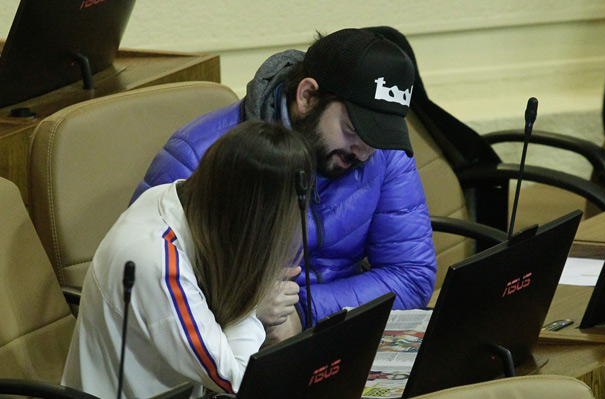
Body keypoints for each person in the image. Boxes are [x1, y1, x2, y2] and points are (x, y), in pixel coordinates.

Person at [132, 28, 437, 338]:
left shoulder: (379, 153)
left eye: (378, 137)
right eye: (352, 129)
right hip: (232, 345)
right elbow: (152, 292)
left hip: (339, 329)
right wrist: (248, 314)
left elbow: (412, 276)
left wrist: (305, 313)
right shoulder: (197, 156)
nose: (364, 151)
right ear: (307, 97)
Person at [62, 120, 315, 398]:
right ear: (254, 219)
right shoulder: (157, 262)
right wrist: (252, 306)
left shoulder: (178, 200)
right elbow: (239, 383)